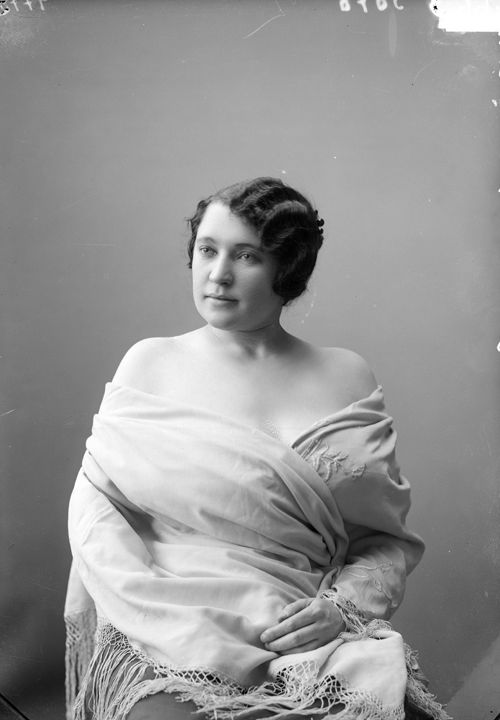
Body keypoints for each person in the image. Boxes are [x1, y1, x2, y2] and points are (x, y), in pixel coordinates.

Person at [64, 177, 450, 720]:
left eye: (246, 256)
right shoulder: (150, 363)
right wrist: (160, 613)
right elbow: (96, 513)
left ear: (288, 268)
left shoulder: (347, 374)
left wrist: (339, 609)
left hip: (305, 630)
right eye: (207, 250)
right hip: (168, 626)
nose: (218, 274)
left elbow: (384, 541)